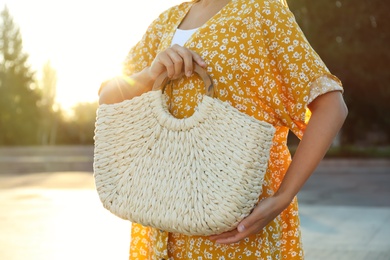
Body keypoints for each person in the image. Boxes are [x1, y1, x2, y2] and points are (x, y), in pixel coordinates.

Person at [99, 0, 348, 259]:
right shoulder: (165, 21)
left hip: (233, 235)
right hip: (158, 226)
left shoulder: (261, 11)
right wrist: (149, 75)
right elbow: (108, 99)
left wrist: (282, 197)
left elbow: (331, 106)